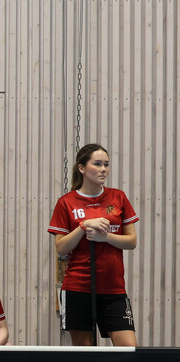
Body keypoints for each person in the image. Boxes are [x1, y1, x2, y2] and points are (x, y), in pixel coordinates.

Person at [48, 143, 138, 346]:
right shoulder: (66, 202)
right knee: (85, 355)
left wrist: (105, 237)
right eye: (97, 164)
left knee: (129, 350)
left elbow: (132, 241)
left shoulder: (118, 197)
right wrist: (84, 226)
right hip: (78, 287)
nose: (103, 169)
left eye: (106, 164)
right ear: (82, 167)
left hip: (114, 288)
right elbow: (61, 248)